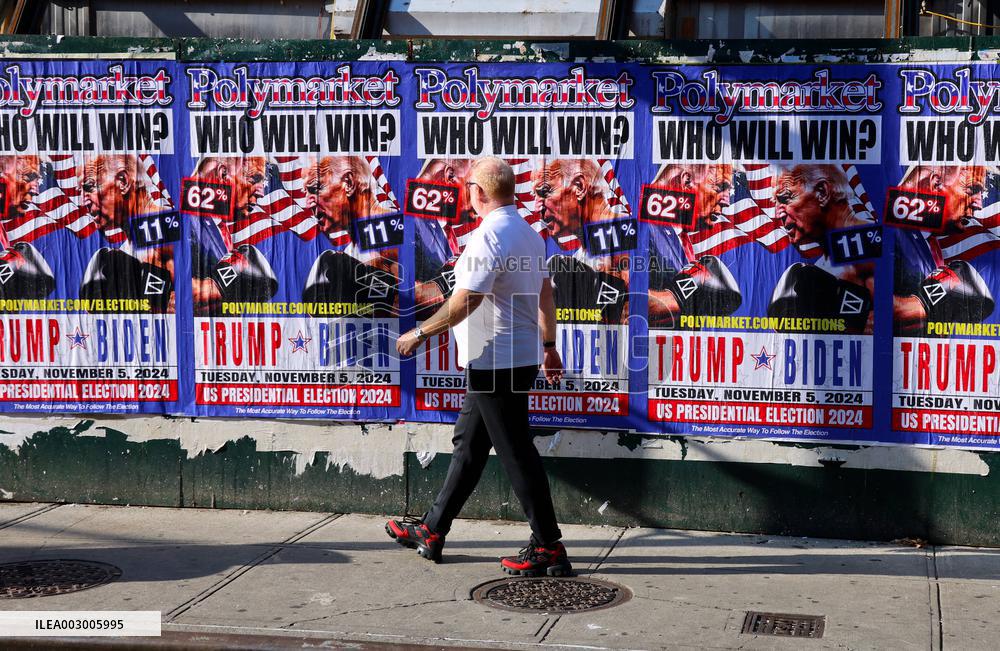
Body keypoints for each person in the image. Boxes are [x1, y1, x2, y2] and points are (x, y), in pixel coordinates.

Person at [385, 157, 571, 577]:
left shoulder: (490, 235)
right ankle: (432, 530)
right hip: (511, 359)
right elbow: (545, 293)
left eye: (469, 186)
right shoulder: (528, 234)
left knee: (516, 452)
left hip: (495, 362)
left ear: (479, 192)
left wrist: (420, 332)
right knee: (469, 446)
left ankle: (549, 546)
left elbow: (467, 299)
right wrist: (549, 346)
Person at [766, 164, 875, 334]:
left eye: (786, 198)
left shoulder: (869, 243)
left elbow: (907, 313)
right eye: (777, 203)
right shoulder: (825, 270)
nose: (778, 214)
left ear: (822, 192)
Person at [893, 165, 994, 333]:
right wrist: (926, 302)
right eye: (972, 190)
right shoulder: (881, 232)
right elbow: (863, 313)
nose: (979, 205)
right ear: (935, 183)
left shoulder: (931, 245)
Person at [646, 163, 741, 327]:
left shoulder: (680, 240)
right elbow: (621, 304)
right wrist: (681, 294)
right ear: (686, 181)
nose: (727, 201)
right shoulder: (640, 226)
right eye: (719, 187)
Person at [79, 154, 174, 312]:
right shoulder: (125, 254)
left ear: (122, 182)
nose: (84, 201)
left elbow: (207, 291)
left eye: (90, 186)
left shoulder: (170, 227)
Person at [188, 156, 271, 314]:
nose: (261, 192)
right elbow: (163, 298)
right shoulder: (183, 220)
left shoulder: (219, 227)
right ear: (222, 174)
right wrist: (220, 285)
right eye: (253, 179)